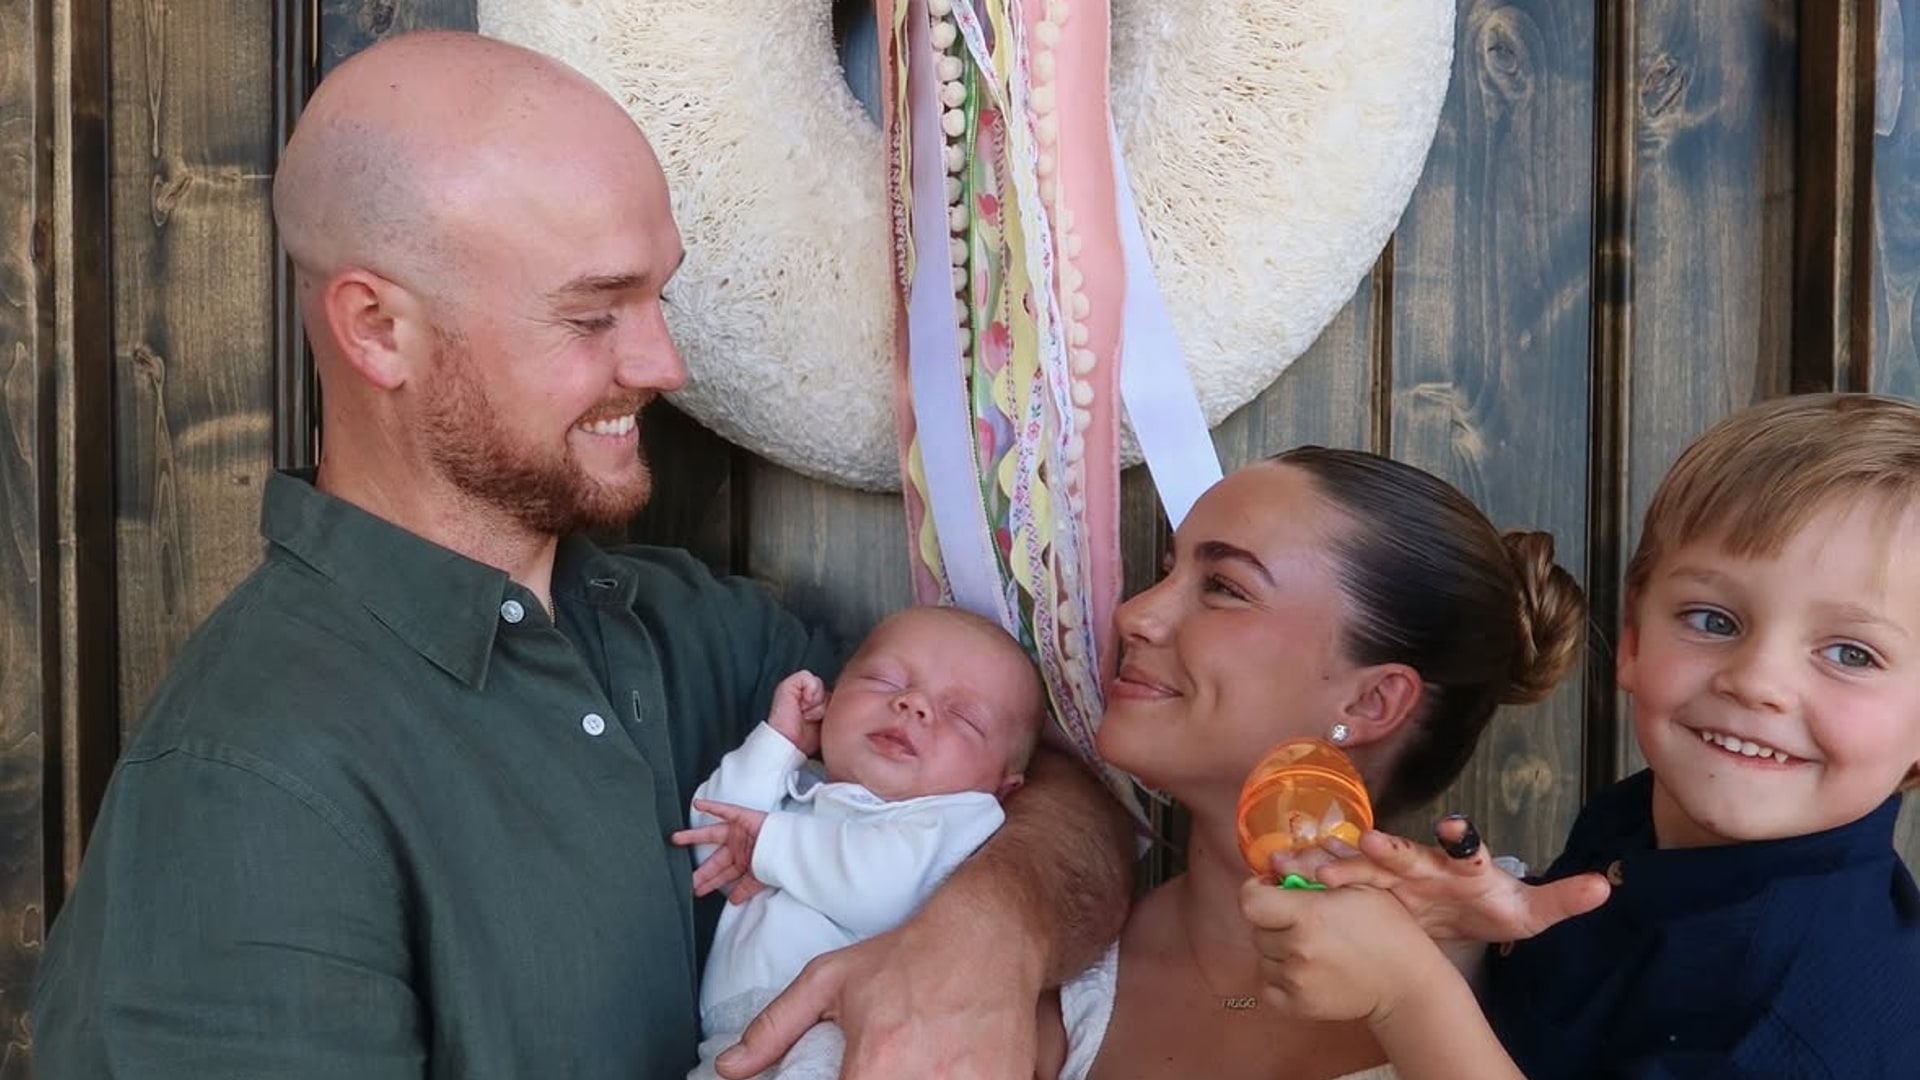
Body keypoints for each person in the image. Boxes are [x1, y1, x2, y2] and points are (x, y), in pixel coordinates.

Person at [29, 30, 1131, 1080]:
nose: (663, 363)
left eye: (659, 294)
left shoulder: (695, 629)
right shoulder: (248, 788)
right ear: (377, 330)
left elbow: (1050, 793)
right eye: (594, 315)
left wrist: (989, 934)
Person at [1246, 393, 1920, 1078]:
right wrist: (1465, 950)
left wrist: (1408, 992)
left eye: (1851, 655)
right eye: (1713, 620)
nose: (1756, 682)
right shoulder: (1639, 823)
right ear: (1631, 635)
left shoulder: (1805, 1030)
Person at [1033, 446, 1598, 1080]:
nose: (1133, 615)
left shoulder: (1533, 961)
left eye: (1222, 588)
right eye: (1169, 572)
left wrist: (1409, 996)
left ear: (1370, 700)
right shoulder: (1058, 983)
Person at [675, 606, 1044, 1078]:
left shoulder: (956, 821)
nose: (914, 704)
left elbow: (879, 888)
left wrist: (768, 844)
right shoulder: (802, 795)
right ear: (832, 697)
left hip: (845, 1036)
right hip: (732, 1042)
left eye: (963, 716)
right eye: (885, 682)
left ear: (1002, 786)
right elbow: (717, 846)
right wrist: (779, 743)